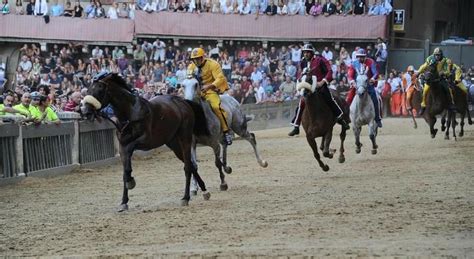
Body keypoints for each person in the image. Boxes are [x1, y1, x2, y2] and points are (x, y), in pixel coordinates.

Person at [288, 44, 350, 136]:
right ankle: (296, 126)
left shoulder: (320, 60)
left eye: (308, 52)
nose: (306, 54)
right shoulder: (302, 62)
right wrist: (300, 82)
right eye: (304, 52)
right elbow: (300, 74)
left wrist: (322, 81)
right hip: (307, 87)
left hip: (320, 86)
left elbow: (329, 71)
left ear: (312, 53)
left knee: (330, 99)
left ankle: (341, 119)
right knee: (301, 102)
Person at [187, 47, 233, 145]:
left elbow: (220, 78)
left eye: (197, 58)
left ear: (202, 57)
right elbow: (189, 81)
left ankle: (226, 131)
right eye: (194, 59)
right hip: (196, 92)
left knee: (216, 107)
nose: (195, 61)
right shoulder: (191, 67)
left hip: (210, 91)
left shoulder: (213, 64)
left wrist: (209, 86)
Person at [416, 48, 462, 115]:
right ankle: (423, 105)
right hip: (431, 78)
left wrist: (443, 73)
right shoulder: (430, 59)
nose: (437, 56)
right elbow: (424, 66)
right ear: (434, 55)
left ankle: (451, 104)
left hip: (441, 78)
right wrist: (418, 72)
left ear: (441, 55)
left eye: (438, 55)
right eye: (436, 55)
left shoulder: (446, 61)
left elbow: (448, 71)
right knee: (425, 90)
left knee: (448, 89)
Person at [346, 48, 383, 128]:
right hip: (357, 86)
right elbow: (350, 74)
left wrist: (373, 78)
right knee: (348, 99)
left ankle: (377, 118)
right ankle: (346, 118)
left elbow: (375, 72)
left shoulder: (371, 62)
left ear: (365, 57)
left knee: (376, 99)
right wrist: (352, 81)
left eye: (361, 57)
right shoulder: (354, 63)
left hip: (368, 85)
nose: (360, 58)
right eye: (358, 56)